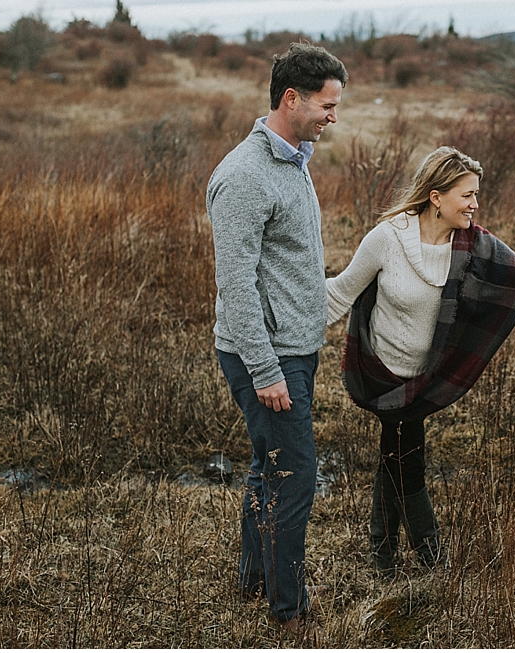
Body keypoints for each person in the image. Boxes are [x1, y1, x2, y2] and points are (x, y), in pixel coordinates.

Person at [326, 146, 515, 575]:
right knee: (404, 457)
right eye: (466, 195)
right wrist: (281, 337)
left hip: (423, 382)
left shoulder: (475, 247)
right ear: (436, 197)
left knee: (396, 453)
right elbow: (339, 293)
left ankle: (386, 554)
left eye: (476, 194)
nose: (475, 204)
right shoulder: (387, 239)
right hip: (379, 372)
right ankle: (426, 558)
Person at [205, 41, 347, 639]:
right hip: (265, 355)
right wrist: (265, 371)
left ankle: (254, 580)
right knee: (296, 473)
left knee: (270, 465)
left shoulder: (294, 158)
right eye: (326, 104)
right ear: (292, 99)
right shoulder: (243, 176)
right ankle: (288, 611)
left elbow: (285, 265)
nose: (333, 116)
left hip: (293, 346)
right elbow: (235, 282)